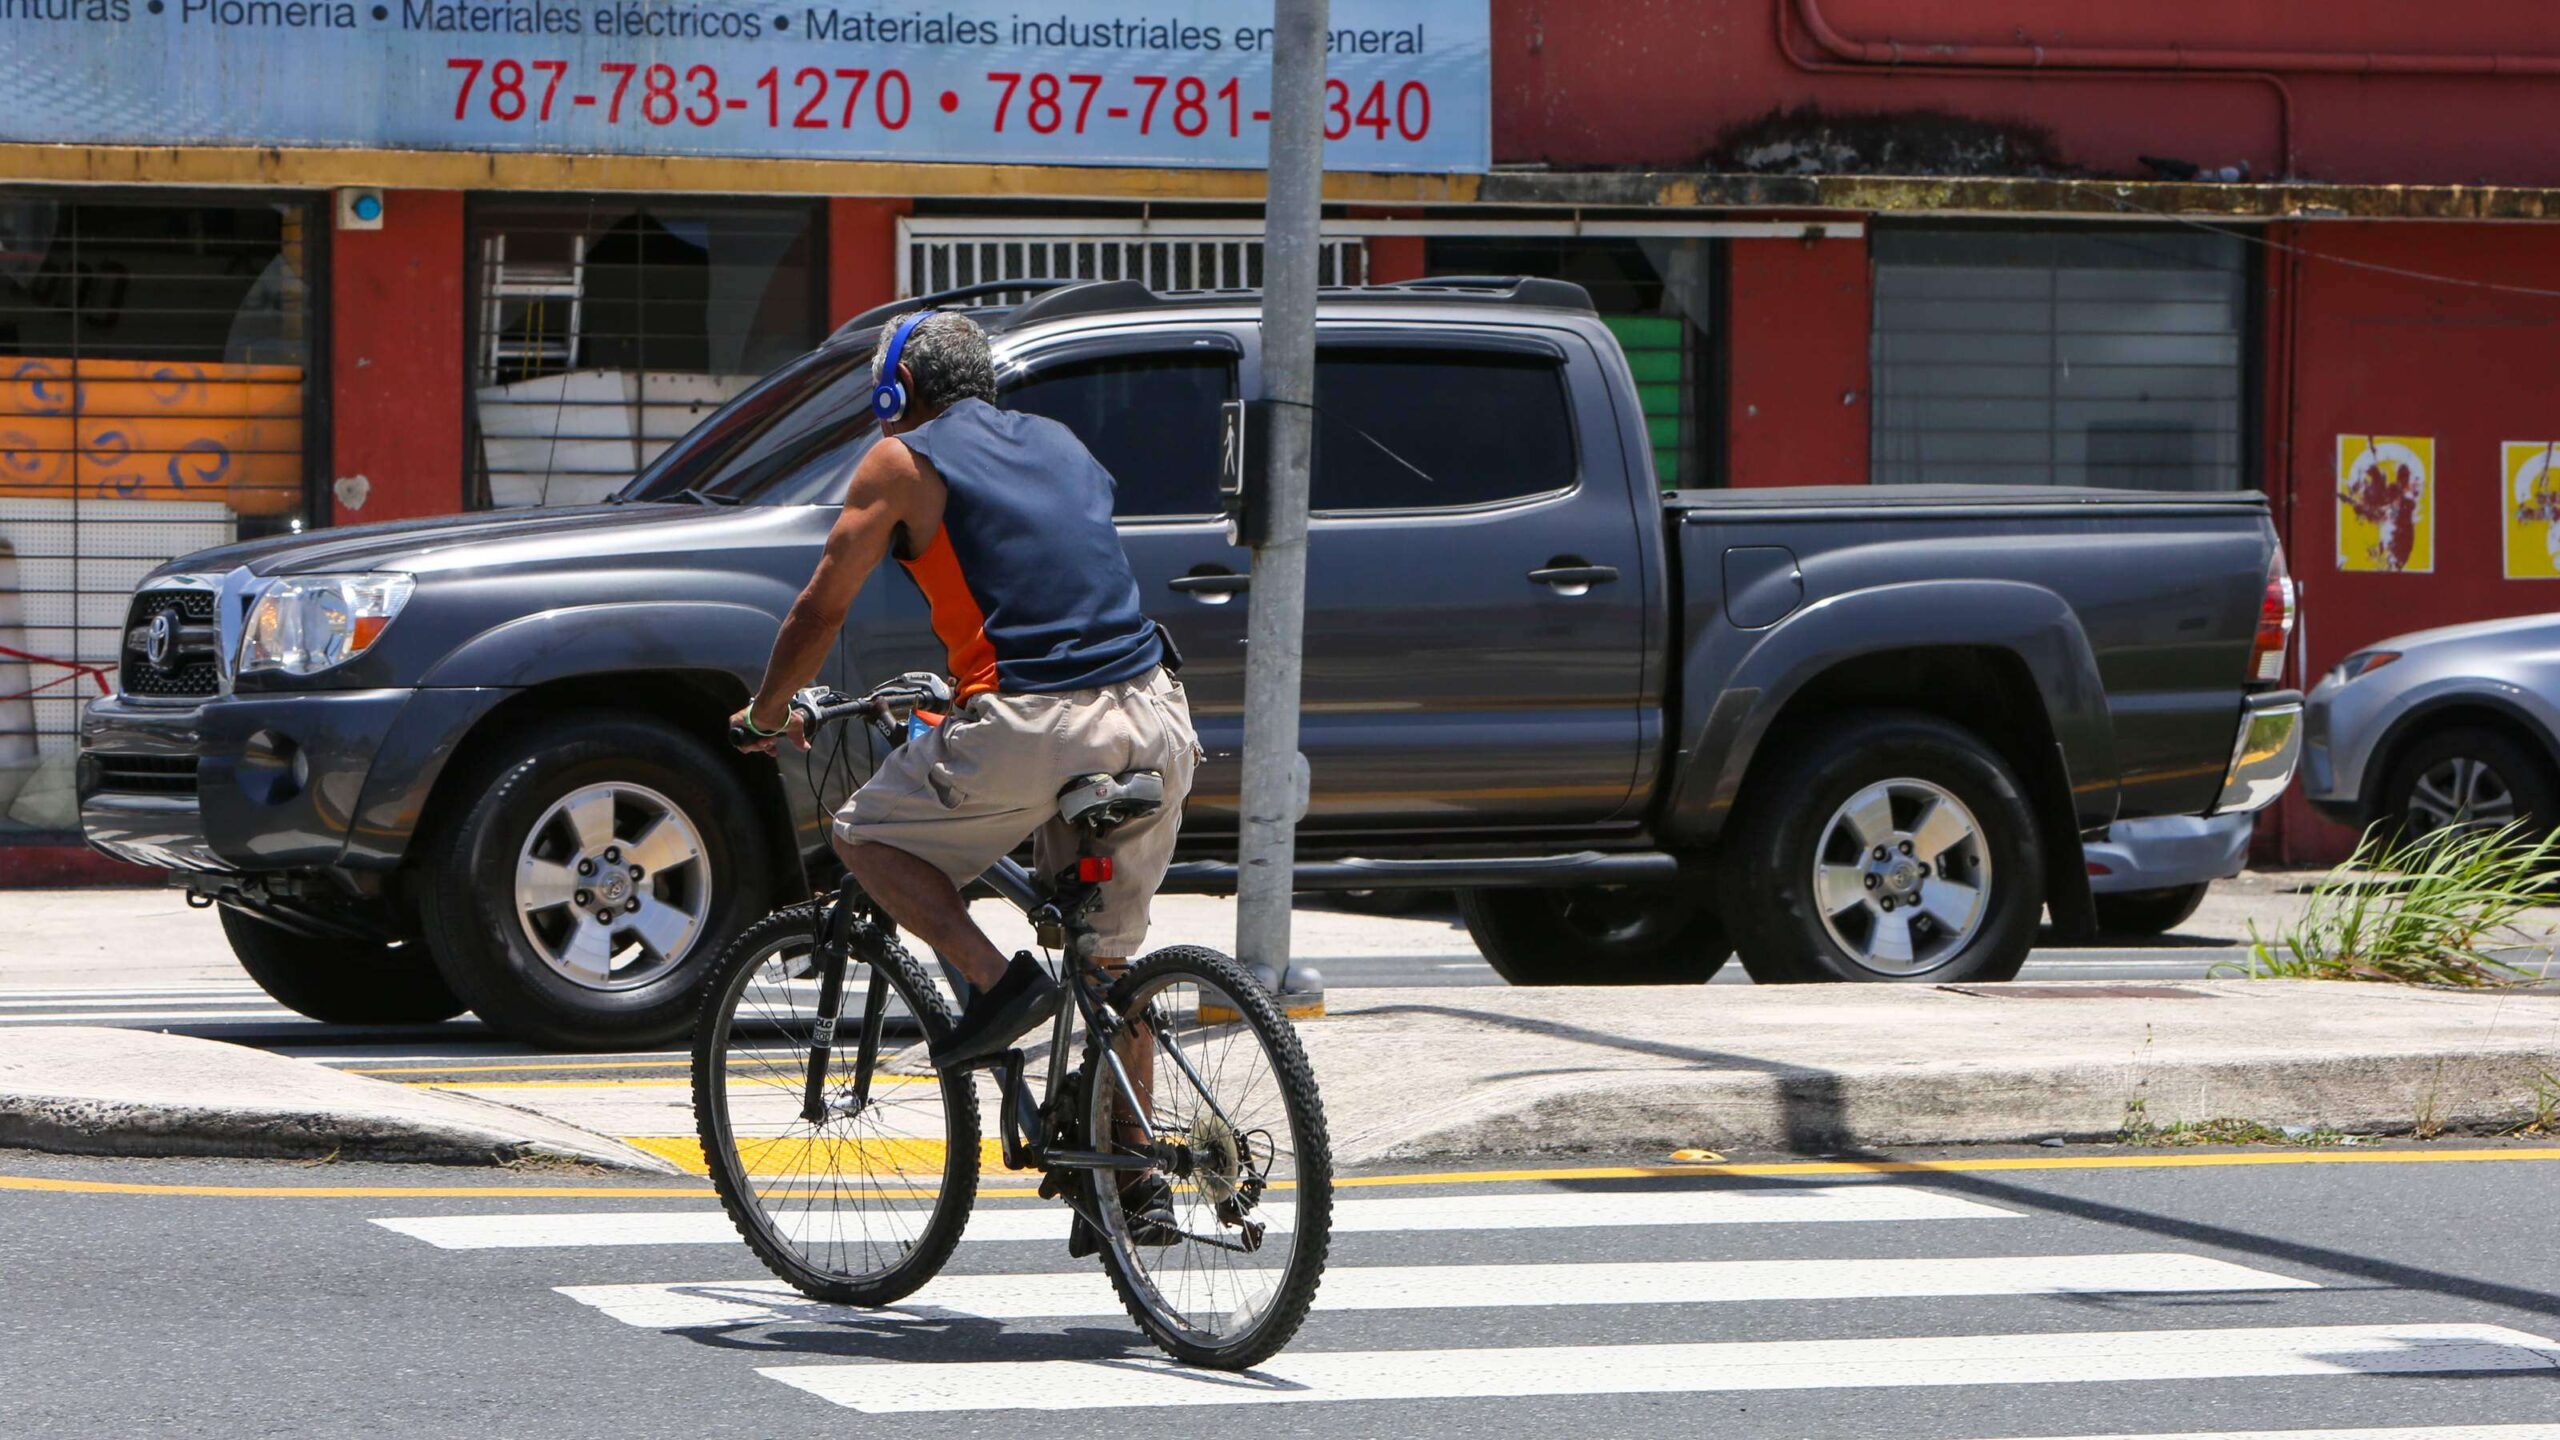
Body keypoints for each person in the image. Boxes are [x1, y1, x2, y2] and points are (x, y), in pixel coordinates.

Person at [729, 308, 1199, 1240]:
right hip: (1156, 713)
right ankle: (1136, 1179)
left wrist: (767, 712)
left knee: (865, 833)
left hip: (1037, 722)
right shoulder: (1063, 443)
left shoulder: (902, 462)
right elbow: (1048, 578)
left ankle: (991, 983)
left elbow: (822, 608)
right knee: (1108, 961)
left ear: (895, 392)